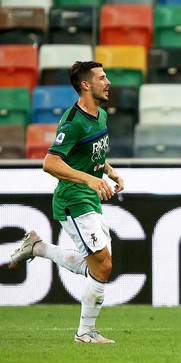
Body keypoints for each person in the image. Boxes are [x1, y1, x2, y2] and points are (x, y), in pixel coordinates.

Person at [9, 61, 123, 344]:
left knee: (98, 266)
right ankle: (85, 333)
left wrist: (107, 170)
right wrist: (89, 180)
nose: (108, 82)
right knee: (103, 266)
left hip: (87, 198)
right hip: (73, 199)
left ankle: (38, 247)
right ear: (86, 85)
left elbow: (89, 152)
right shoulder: (72, 122)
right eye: (102, 77)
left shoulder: (100, 116)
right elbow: (50, 162)